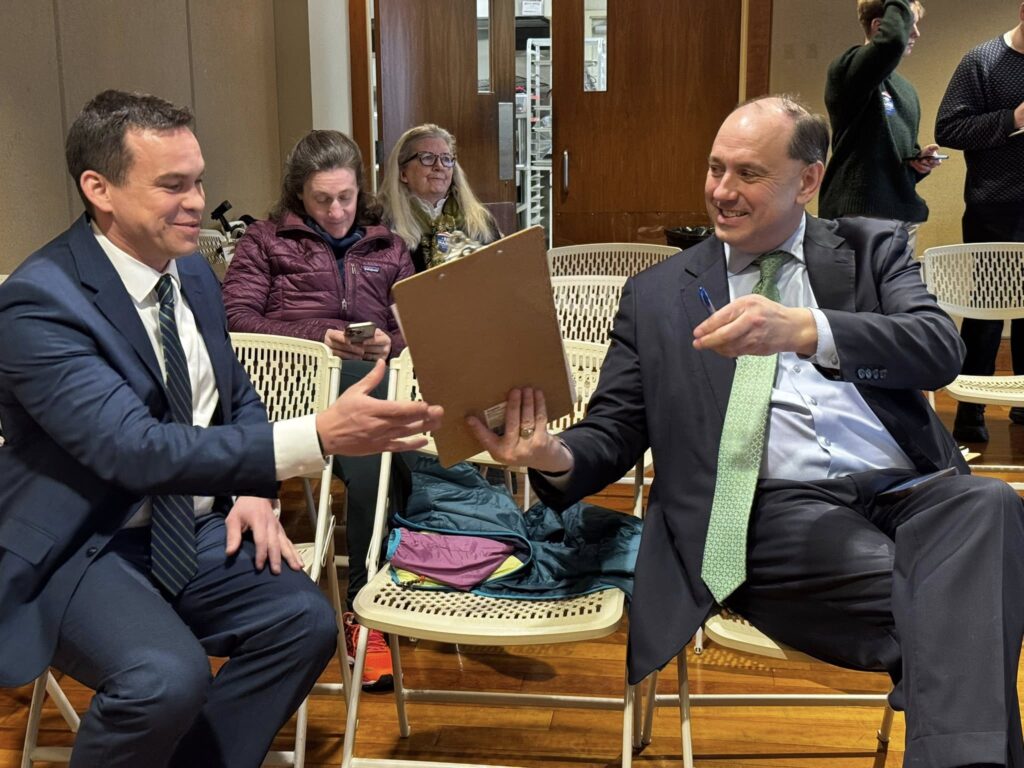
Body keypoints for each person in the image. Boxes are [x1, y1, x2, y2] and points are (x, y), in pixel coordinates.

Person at [469, 95, 1024, 767]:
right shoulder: (658, 296)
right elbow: (613, 430)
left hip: (905, 488)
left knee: (991, 504)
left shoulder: (870, 248)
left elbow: (940, 350)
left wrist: (805, 329)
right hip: (768, 508)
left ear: (808, 180)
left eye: (748, 174)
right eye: (714, 169)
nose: (722, 192)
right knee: (970, 594)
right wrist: (551, 453)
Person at [0, 90, 441, 767]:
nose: (198, 201)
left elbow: (233, 396)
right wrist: (316, 438)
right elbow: (134, 450)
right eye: (172, 184)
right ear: (100, 189)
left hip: (186, 528)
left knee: (304, 624)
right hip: (84, 542)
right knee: (165, 678)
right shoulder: (39, 304)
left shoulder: (190, 276)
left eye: (199, 179)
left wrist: (258, 490)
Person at [222, 129, 414, 691]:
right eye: (321, 199)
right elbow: (236, 317)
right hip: (292, 388)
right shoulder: (265, 241)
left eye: (346, 197)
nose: (335, 211)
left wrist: (389, 342)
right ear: (298, 195)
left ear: (361, 191)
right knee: (383, 427)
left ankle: (378, 583)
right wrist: (320, 336)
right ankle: (368, 599)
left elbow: (415, 322)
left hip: (370, 382)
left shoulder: (388, 245)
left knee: (379, 403)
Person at [935, 2, 1024, 443]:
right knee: (988, 313)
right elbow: (948, 128)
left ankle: (1023, 410)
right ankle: (970, 414)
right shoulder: (983, 60)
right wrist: (1014, 119)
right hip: (996, 207)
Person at [818, 0, 943, 254]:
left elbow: (897, 157)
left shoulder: (907, 90)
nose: (917, 34)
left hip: (901, 216)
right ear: (879, 26)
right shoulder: (846, 71)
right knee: (857, 295)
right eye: (910, 24)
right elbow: (891, 44)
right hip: (859, 214)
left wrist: (918, 164)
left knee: (896, 295)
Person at [378, 123, 500, 272]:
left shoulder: (479, 220)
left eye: (446, 158)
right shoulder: (382, 224)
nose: (439, 166)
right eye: (427, 158)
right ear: (403, 173)